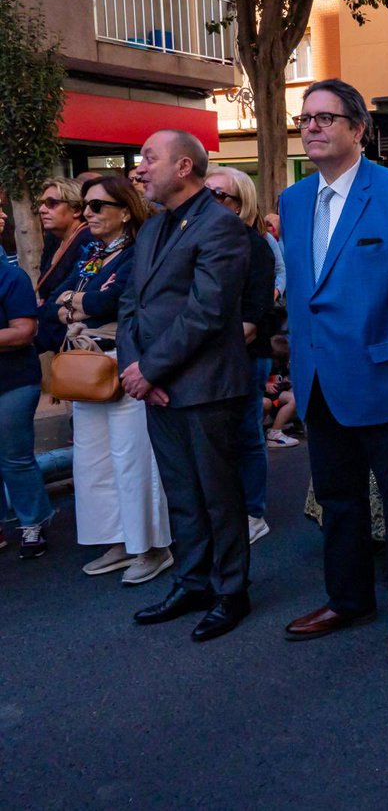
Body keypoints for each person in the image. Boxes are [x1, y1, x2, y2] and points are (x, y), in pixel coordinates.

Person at [280, 80, 388, 666]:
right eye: (305, 118)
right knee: (338, 499)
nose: (312, 127)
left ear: (359, 129)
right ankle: (347, 600)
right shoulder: (294, 200)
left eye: (326, 118)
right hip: (320, 381)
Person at [118, 129, 252, 642]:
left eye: (149, 158)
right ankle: (192, 581)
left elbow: (208, 312)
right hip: (157, 385)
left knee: (219, 494)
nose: (139, 168)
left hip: (205, 386)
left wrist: (151, 371)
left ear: (183, 168)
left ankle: (232, 592)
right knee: (181, 492)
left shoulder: (221, 227)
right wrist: (139, 373)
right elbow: (132, 303)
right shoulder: (152, 230)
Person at [62, 176, 172, 584]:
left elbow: (109, 300)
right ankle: (117, 540)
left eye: (97, 206)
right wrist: (77, 304)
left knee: (133, 459)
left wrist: (77, 305)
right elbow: (66, 291)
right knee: (92, 461)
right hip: (87, 365)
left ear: (125, 211)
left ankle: (151, 546)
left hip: (124, 362)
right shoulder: (92, 252)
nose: (87, 213)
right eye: (85, 206)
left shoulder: (140, 251)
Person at [206, 166, 277, 545]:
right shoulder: (201, 242)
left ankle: (253, 512)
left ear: (241, 203)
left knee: (247, 433)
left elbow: (253, 318)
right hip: (209, 358)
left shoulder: (255, 245)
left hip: (245, 355)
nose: (213, 202)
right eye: (207, 194)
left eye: (221, 195)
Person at [0, 258, 54, 558]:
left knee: (14, 457)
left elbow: (24, 331)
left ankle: (32, 523)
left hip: (13, 381)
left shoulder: (10, 276)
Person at [34, 177, 88, 353]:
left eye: (51, 203)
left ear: (77, 209)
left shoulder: (87, 239)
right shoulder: (53, 239)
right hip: (53, 334)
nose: (42, 210)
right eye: (41, 203)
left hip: (76, 340)